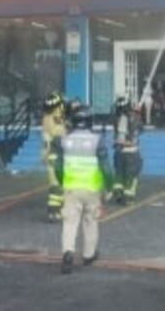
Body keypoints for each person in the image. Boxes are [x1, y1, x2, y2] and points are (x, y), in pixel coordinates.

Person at [53, 101, 112, 275]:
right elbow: (106, 168)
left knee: (70, 222)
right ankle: (88, 255)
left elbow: (58, 166)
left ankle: (68, 252)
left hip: (71, 188)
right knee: (90, 221)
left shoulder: (65, 141)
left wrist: (64, 181)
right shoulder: (97, 141)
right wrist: (108, 187)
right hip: (91, 189)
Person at [40, 91, 67, 222]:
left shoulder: (53, 118)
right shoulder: (50, 120)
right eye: (60, 105)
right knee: (56, 186)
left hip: (57, 156)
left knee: (60, 185)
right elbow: (58, 134)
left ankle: (57, 210)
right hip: (54, 156)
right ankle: (53, 212)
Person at [111, 96, 143, 205]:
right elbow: (140, 130)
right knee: (131, 175)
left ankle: (118, 193)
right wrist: (138, 115)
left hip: (120, 152)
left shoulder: (120, 118)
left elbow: (120, 138)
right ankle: (128, 197)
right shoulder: (132, 117)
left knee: (119, 174)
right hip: (132, 152)